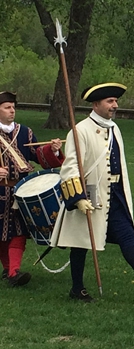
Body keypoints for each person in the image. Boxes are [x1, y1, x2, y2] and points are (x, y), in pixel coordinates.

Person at [50, 83, 134, 301]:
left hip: (115, 194)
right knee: (81, 242)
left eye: (115, 101)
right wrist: (78, 198)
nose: (115, 105)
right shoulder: (80, 130)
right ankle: (77, 288)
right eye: (110, 101)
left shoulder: (114, 128)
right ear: (96, 104)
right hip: (90, 194)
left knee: (128, 236)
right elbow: (70, 168)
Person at [0, 91, 64, 287]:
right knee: (2, 234)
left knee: (19, 231)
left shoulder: (24, 132)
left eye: (13, 107)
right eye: (7, 107)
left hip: (20, 191)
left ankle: (13, 273)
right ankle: (8, 268)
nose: (12, 111)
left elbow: (38, 155)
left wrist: (52, 149)